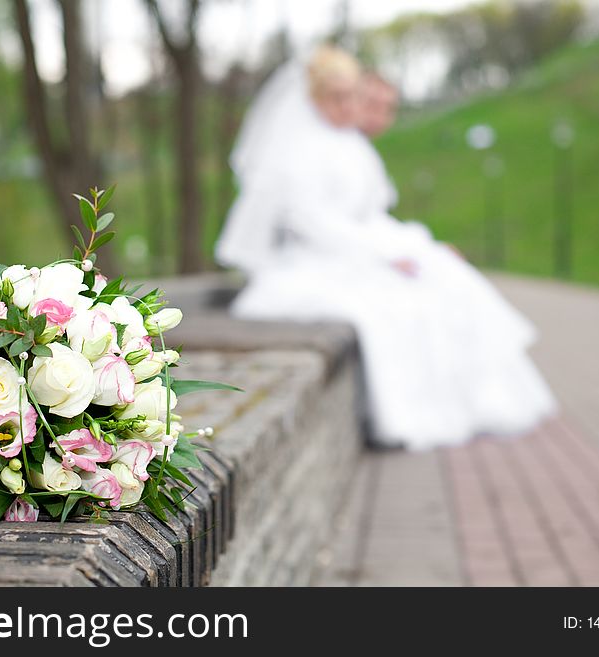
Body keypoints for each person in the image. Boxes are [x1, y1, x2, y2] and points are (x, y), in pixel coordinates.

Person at [215, 46, 556, 450]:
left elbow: (372, 215)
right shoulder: (298, 150)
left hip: (360, 249)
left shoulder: (353, 146)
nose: (345, 107)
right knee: (392, 309)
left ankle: (477, 400)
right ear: (314, 98)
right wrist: (383, 255)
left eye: (350, 96)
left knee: (448, 278)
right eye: (335, 98)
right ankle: (409, 413)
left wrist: (414, 246)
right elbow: (310, 222)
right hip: (318, 259)